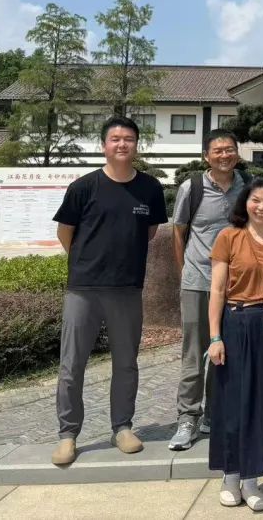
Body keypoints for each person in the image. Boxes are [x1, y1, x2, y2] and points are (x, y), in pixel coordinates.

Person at [51, 116, 167, 466]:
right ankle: (68, 434)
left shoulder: (149, 188)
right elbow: (65, 232)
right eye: (115, 139)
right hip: (83, 289)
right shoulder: (84, 187)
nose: (122, 144)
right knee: (72, 365)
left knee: (126, 363)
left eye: (128, 139)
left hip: (127, 289)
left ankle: (122, 427)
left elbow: (149, 232)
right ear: (104, 145)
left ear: (136, 145)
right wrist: (87, 262)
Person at [207, 177, 263, 511]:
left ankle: (252, 479)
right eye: (256, 200)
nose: (262, 207)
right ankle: (231, 475)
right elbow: (217, 290)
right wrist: (215, 336)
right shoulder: (228, 236)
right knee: (234, 401)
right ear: (245, 202)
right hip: (236, 322)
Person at [169, 129, 249, 451]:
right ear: (206, 156)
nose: (224, 155)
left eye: (229, 149)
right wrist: (184, 272)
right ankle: (187, 417)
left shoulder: (247, 185)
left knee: (224, 352)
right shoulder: (192, 187)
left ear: (237, 153)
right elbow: (179, 231)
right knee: (194, 353)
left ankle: (214, 413)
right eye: (218, 150)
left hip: (236, 285)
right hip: (199, 282)